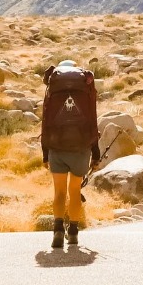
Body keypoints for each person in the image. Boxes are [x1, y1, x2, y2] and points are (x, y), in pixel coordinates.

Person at [40, 60, 101, 249]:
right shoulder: (85, 89)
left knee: (59, 193)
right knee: (75, 192)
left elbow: (45, 123)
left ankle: (58, 230)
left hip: (57, 146)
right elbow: (92, 122)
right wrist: (96, 155)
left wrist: (45, 154)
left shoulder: (53, 90)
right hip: (80, 148)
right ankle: (73, 232)